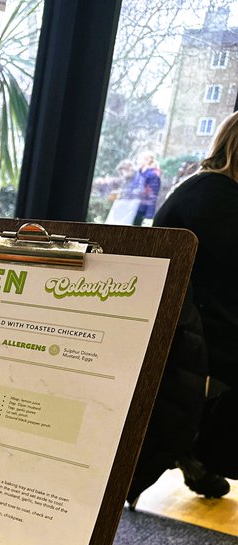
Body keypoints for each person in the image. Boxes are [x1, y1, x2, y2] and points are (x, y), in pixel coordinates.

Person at [128, 114, 238, 503]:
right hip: (198, 340)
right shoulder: (222, 201)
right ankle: (198, 445)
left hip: (174, 331)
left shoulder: (198, 188)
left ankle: (192, 446)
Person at [130, 151, 162, 225]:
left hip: (141, 210)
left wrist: (149, 216)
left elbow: (153, 195)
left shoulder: (153, 175)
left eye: (139, 159)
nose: (137, 161)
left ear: (147, 161)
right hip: (133, 207)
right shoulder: (138, 173)